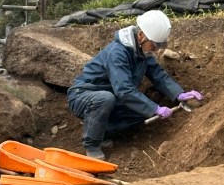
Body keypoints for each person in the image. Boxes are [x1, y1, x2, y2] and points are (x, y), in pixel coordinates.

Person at [67, 10, 203, 159]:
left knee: (141, 111)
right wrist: (154, 108)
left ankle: (101, 131)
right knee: (106, 99)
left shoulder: (142, 51)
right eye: (154, 45)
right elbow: (124, 90)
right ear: (141, 35)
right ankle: (92, 144)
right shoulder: (118, 53)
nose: (156, 49)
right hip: (83, 95)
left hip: (111, 97)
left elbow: (158, 74)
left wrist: (178, 94)